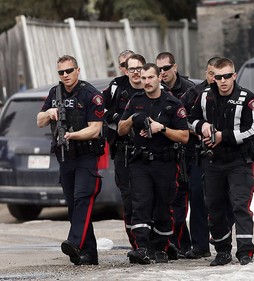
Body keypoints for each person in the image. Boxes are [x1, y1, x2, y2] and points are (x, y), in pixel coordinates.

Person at [189, 57, 254, 266]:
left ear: (234, 75)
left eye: (227, 76)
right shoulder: (204, 96)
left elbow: (253, 129)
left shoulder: (248, 98)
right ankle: (222, 250)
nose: (223, 81)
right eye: (218, 77)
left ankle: (245, 251)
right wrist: (201, 126)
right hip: (213, 162)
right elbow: (189, 119)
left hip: (239, 160)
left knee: (240, 205)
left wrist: (223, 136)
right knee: (214, 206)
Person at [117, 63, 189, 264]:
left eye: (150, 77)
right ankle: (142, 248)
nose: (146, 82)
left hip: (164, 163)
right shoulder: (136, 100)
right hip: (140, 162)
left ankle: (162, 247)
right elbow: (121, 130)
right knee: (140, 203)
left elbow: (184, 136)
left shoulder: (172, 103)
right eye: (143, 78)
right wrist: (132, 118)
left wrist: (162, 128)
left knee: (163, 207)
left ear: (159, 78)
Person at [36, 55, 105, 265]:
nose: (65, 75)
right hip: (65, 156)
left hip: (86, 155)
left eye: (69, 70)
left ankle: (74, 242)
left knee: (82, 197)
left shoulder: (90, 94)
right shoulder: (54, 93)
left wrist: (73, 135)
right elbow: (39, 121)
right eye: (61, 72)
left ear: (78, 70)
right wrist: (49, 112)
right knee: (75, 205)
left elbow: (95, 129)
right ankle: (89, 254)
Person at [102, 52, 146, 250]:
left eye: (139, 68)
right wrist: (118, 118)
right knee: (129, 200)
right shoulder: (116, 87)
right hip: (124, 152)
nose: (135, 73)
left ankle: (156, 245)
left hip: (150, 153)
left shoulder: (153, 85)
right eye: (130, 68)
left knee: (152, 198)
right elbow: (98, 108)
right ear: (125, 69)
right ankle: (137, 245)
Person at [179, 56, 221, 259]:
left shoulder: (233, 93)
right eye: (211, 73)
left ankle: (222, 237)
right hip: (198, 154)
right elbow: (182, 118)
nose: (215, 78)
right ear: (206, 73)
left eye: (218, 74)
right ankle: (200, 245)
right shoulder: (194, 93)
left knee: (224, 199)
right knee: (197, 199)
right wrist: (198, 128)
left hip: (225, 155)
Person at [156, 51, 195, 258]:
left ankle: (177, 243)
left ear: (175, 67)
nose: (162, 73)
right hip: (163, 152)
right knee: (166, 200)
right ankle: (178, 243)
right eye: (159, 69)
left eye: (166, 68)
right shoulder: (154, 89)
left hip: (185, 152)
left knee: (181, 202)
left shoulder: (189, 89)